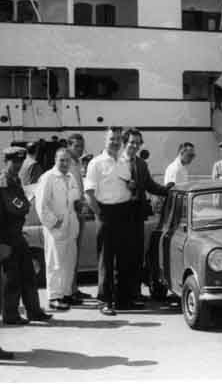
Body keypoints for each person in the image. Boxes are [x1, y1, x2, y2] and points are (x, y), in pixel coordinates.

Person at [0, 146, 52, 325]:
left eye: (20, 162)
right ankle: (10, 315)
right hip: (6, 237)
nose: (17, 165)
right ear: (5, 161)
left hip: (17, 234)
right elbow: (18, 207)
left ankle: (34, 311)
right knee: (12, 278)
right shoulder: (4, 182)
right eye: (14, 161)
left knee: (28, 274)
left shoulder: (15, 180)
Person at [121, 128, 173, 302]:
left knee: (137, 254)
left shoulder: (141, 164)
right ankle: (121, 294)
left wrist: (168, 191)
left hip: (137, 215)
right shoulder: (116, 162)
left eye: (138, 143)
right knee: (121, 256)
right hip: (120, 215)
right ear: (125, 143)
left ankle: (135, 292)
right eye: (132, 142)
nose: (135, 146)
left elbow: (150, 185)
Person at [84, 127, 133, 316]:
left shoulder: (124, 162)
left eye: (118, 139)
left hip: (124, 211)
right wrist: (99, 214)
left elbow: (127, 184)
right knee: (106, 259)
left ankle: (122, 300)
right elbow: (89, 193)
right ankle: (104, 300)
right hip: (106, 212)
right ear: (105, 140)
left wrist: (131, 186)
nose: (115, 142)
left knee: (123, 257)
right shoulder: (96, 163)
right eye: (112, 138)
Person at [35, 148, 80, 311]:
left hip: (71, 225)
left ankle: (66, 293)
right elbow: (41, 205)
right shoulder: (47, 178)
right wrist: (54, 222)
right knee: (55, 263)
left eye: (67, 160)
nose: (65, 163)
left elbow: (74, 199)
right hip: (55, 228)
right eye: (61, 160)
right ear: (55, 160)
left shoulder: (71, 177)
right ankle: (54, 297)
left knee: (69, 261)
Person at [66, 133, 91, 304]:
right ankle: (68, 291)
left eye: (82, 146)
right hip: (70, 213)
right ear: (69, 146)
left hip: (79, 212)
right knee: (69, 254)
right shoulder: (66, 164)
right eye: (76, 146)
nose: (80, 149)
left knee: (75, 253)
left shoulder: (77, 163)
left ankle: (74, 288)